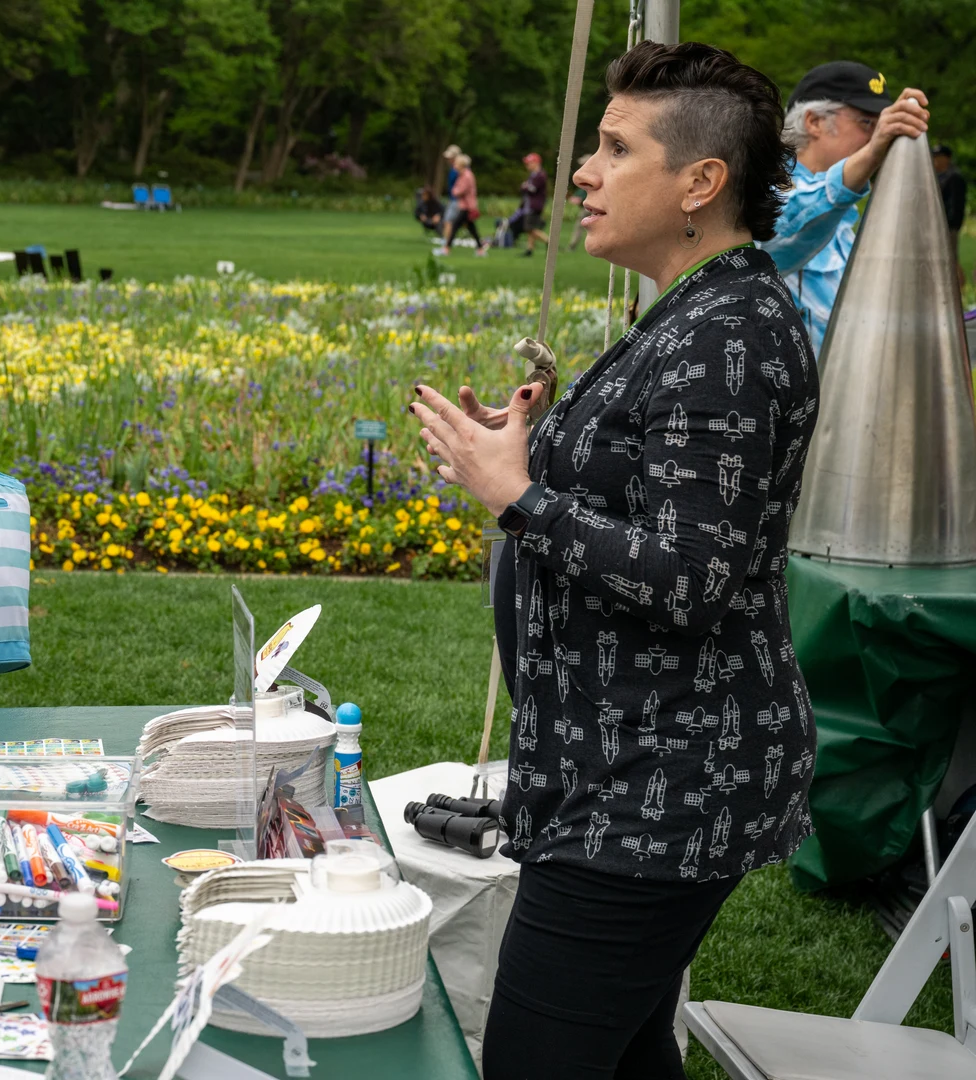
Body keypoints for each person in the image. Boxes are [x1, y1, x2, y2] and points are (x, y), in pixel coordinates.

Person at [410, 41, 819, 1080]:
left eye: (614, 148)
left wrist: (517, 493)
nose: (581, 173)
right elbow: (659, 487)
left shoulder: (728, 337)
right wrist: (535, 447)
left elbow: (689, 578)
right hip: (612, 770)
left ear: (699, 182)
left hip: (656, 792)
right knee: (626, 1056)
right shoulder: (694, 310)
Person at [761, 61, 929, 357]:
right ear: (813, 121)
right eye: (867, 123)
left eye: (882, 125)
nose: (880, 137)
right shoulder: (763, 188)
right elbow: (778, 230)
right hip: (801, 398)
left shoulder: (841, 211)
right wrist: (870, 155)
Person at [935, 144, 967, 300]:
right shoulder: (939, 176)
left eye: (939, 157)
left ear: (946, 158)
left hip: (948, 225)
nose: (936, 161)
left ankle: (960, 290)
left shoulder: (954, 177)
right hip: (940, 225)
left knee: (952, 258)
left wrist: (950, 224)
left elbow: (955, 204)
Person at [440, 152, 487, 255]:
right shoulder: (463, 175)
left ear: (461, 165)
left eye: (456, 164)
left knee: (455, 226)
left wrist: (454, 191)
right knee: (471, 228)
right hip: (465, 205)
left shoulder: (466, 176)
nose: (454, 165)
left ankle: (447, 248)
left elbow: (460, 190)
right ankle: (480, 249)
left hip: (466, 206)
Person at [515, 151, 551, 256]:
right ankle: (529, 250)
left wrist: (524, 186)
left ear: (536, 163)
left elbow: (532, 189)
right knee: (530, 229)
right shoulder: (533, 175)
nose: (527, 165)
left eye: (529, 163)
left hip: (534, 205)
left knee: (530, 228)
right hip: (530, 205)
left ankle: (549, 242)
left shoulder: (540, 175)